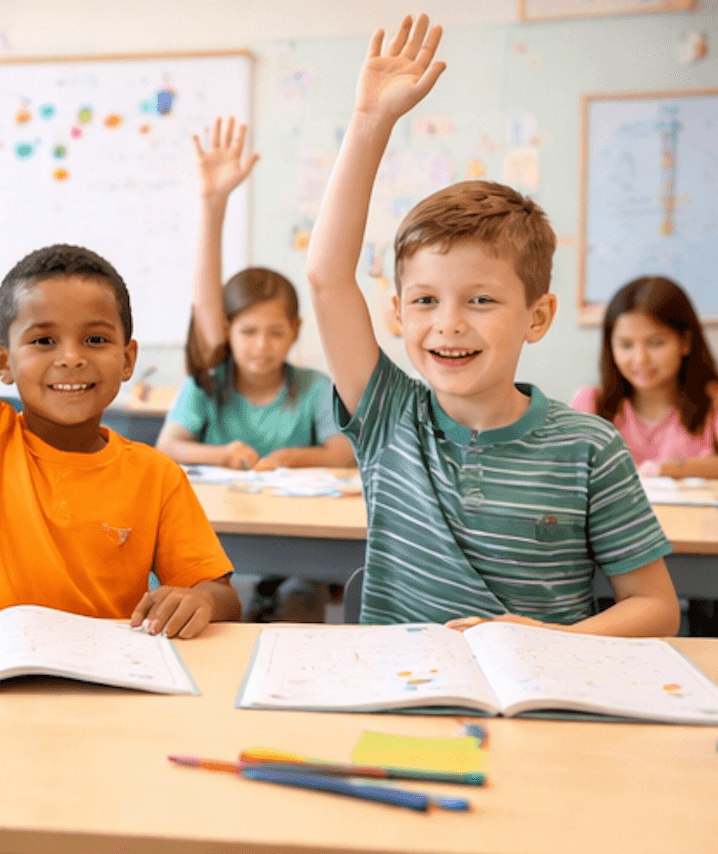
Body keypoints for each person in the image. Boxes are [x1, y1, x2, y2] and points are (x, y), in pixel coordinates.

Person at [304, 14, 678, 636]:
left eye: (480, 301)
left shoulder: (589, 449)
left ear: (538, 317)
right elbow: (327, 279)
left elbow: (658, 608)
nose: (448, 325)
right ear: (396, 313)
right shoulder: (389, 416)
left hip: (540, 701)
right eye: (425, 301)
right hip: (405, 695)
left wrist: (551, 643)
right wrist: (370, 123)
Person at [0, 79, 240, 638]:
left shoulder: (155, 476)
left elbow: (218, 592)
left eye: (96, 340)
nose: (72, 359)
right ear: (2, 362)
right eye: (44, 340)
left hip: (99, 693)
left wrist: (198, 600)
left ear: (129, 358)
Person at [155, 117, 354, 622]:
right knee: (229, 597)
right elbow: (168, 447)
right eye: (247, 332)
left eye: (275, 333)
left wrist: (289, 457)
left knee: (300, 602)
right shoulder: (208, 383)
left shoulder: (313, 388)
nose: (261, 346)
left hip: (299, 539)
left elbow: (342, 451)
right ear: (227, 330)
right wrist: (223, 454)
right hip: (222, 541)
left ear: (295, 330)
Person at [572, 276, 718, 480]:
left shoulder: (713, 401)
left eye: (656, 343)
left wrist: (665, 469)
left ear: (685, 342)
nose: (641, 359)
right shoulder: (591, 403)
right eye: (626, 345)